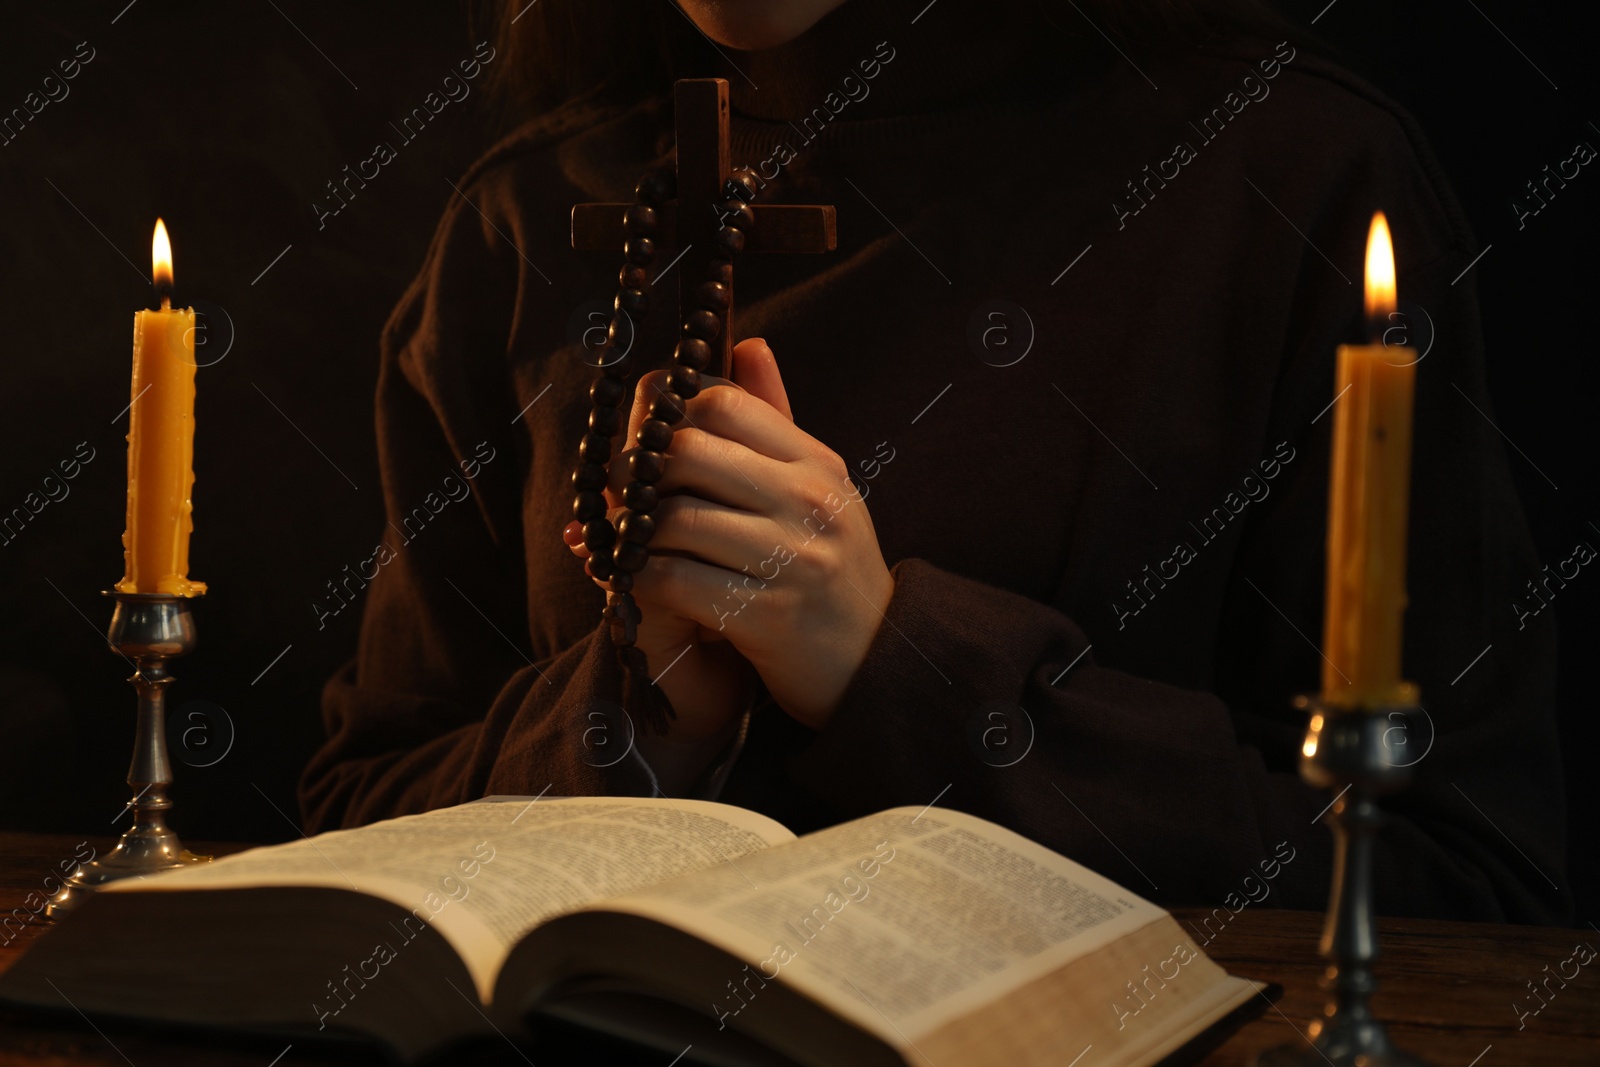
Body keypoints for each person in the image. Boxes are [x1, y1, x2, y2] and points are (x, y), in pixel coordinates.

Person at [300, 0, 1569, 925]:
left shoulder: (1290, 182)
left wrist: (896, 665)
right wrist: (635, 717)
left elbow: (1459, 872)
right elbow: (352, 824)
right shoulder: (515, 227)